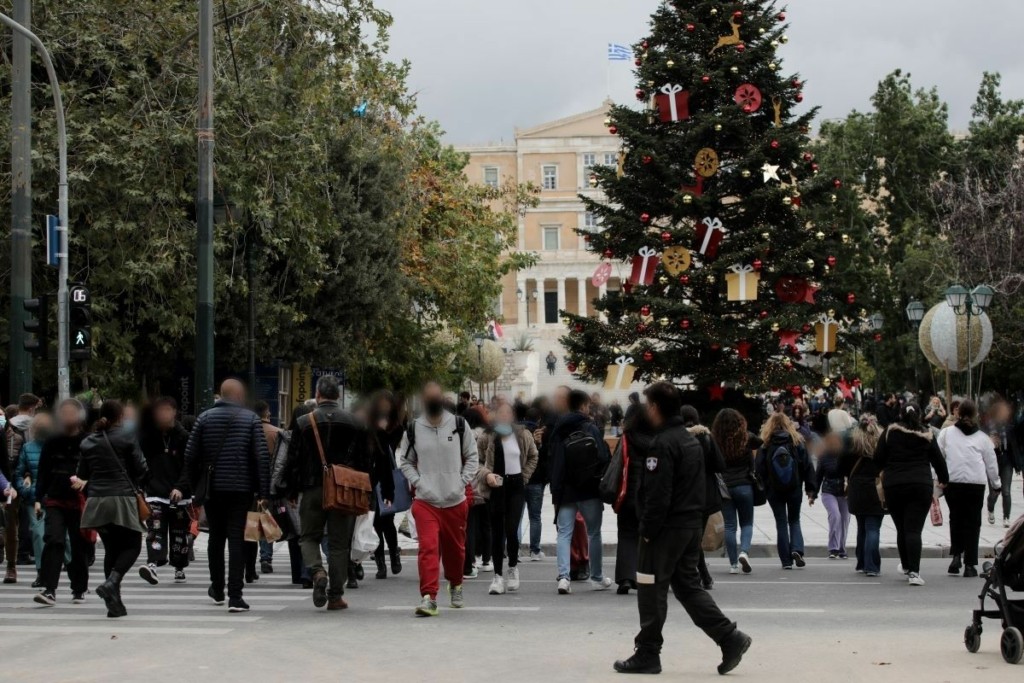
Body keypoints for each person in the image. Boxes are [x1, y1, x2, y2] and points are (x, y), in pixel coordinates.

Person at [613, 382, 751, 676]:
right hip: (688, 526)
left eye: (648, 405)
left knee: (650, 589)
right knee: (689, 588)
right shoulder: (690, 441)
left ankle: (648, 652)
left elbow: (658, 494)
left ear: (655, 408)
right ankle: (730, 638)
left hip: (665, 529)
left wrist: (647, 529)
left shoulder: (662, 445)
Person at [285, 374, 391, 611]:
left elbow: (294, 460)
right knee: (339, 544)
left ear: (318, 394)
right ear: (339, 396)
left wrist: (291, 489)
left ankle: (316, 571)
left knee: (309, 537)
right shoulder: (356, 423)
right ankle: (335, 595)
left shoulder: (303, 422)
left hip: (312, 488)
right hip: (344, 490)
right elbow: (366, 461)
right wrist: (365, 491)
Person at [178, 379, 270, 612]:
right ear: (240, 396)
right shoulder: (250, 419)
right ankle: (235, 596)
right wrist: (263, 491)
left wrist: (194, 486)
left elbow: (189, 456)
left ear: (221, 394)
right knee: (237, 539)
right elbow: (260, 456)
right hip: (241, 488)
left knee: (216, 538)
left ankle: (217, 588)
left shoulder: (204, 418)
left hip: (213, 488)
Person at [399, 381, 479, 617]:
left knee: (455, 551)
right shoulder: (413, 429)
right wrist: (419, 482)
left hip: (455, 500)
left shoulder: (458, 424)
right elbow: (405, 461)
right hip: (426, 502)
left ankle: (455, 584)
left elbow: (472, 456)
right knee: (428, 548)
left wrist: (461, 482)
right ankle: (429, 597)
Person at [76, 400, 149, 618]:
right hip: (122, 498)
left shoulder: (88, 442)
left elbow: (82, 473)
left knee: (111, 549)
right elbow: (141, 468)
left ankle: (113, 604)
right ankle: (112, 581)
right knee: (133, 544)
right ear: (120, 417)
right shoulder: (127, 437)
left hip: (97, 500)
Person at [874, 403, 949, 586]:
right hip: (920, 485)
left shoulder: (890, 432)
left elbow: (877, 459)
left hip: (894, 486)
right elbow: (938, 460)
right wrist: (943, 480)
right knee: (914, 530)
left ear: (900, 414)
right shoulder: (927, 435)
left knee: (901, 528)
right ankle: (914, 573)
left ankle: (907, 566)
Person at [549, 389, 611, 594]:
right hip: (589, 488)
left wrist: (556, 489)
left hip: (566, 490)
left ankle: (564, 577)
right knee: (593, 533)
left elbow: (554, 460)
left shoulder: (558, 428)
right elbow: (602, 456)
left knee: (564, 533)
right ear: (584, 405)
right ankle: (597, 577)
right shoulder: (590, 427)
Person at [476, 403, 538, 595]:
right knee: (497, 532)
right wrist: (486, 475)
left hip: (516, 486)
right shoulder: (488, 436)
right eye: (500, 413)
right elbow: (476, 461)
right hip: (496, 486)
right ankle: (497, 576)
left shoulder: (522, 435)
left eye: (507, 413)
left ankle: (512, 567)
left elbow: (533, 456)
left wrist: (524, 477)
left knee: (512, 529)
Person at [32, 400, 89, 605]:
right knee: (54, 540)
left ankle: (79, 587)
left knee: (77, 545)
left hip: (79, 501)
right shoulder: (52, 441)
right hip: (55, 499)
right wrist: (38, 499)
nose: (68, 416)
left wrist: (86, 482)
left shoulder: (87, 441)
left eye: (72, 412)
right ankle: (49, 589)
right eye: (64, 412)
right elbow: (43, 472)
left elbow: (95, 469)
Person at [938, 400, 1000, 578]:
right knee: (973, 523)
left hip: (953, 482)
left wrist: (939, 477)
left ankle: (956, 557)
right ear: (975, 416)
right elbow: (991, 464)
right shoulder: (982, 438)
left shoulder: (946, 433)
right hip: (975, 484)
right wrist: (996, 484)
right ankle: (970, 564)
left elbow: (939, 456)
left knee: (956, 519)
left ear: (958, 414)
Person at [137, 397, 192, 586]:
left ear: (174, 412)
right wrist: (145, 482)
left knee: (179, 532)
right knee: (155, 530)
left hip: (179, 494)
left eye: (167, 410)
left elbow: (189, 466)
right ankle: (153, 563)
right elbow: (139, 461)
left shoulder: (183, 436)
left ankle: (179, 566)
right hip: (155, 491)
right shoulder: (148, 436)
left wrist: (181, 487)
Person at [755, 412, 816, 569]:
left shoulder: (765, 444)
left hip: (774, 490)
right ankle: (796, 549)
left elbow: (759, 469)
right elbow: (808, 467)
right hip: (794, 487)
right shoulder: (796, 441)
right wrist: (811, 489)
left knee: (781, 522)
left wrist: (764, 487)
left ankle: (786, 561)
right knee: (794, 520)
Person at [681, 405, 725, 590]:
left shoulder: (678, 439)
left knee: (691, 537)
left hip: (685, 494)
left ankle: (699, 575)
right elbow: (720, 465)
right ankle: (702, 576)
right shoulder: (706, 437)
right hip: (705, 494)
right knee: (695, 537)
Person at [838, 415, 885, 576]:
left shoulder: (852, 444)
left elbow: (841, 466)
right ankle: (872, 566)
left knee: (861, 526)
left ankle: (862, 562)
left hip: (856, 487)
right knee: (873, 527)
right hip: (876, 487)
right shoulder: (881, 445)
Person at [615, 408, 655, 594]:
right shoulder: (658, 440)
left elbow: (615, 464)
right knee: (647, 539)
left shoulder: (626, 438)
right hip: (649, 497)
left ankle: (625, 578)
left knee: (625, 535)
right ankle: (643, 578)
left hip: (627, 494)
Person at [712, 408, 756, 575]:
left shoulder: (716, 440)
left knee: (730, 526)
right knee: (747, 523)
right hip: (744, 484)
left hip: (725, 487)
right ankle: (744, 552)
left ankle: (733, 564)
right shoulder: (745, 438)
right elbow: (752, 464)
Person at [369, 391, 406, 580]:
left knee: (387, 522)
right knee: (374, 522)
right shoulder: (370, 425)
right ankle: (380, 563)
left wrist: (381, 432)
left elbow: (387, 450)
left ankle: (394, 554)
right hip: (371, 478)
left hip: (386, 479)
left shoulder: (396, 428)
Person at [527, 389, 567, 561]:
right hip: (539, 477)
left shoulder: (517, 431)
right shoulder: (548, 427)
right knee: (535, 516)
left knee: (518, 515)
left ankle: (514, 550)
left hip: (522, 477)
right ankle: (535, 550)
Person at [4, 393, 39, 583]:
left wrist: (23, 477)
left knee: (11, 524)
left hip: (10, 482)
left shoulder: (13, 434)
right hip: (12, 480)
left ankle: (11, 566)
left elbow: (17, 460)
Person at [17, 412, 53, 586]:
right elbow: (19, 472)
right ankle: (42, 572)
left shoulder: (57, 446)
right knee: (39, 535)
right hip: (34, 497)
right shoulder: (28, 447)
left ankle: (71, 568)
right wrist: (26, 489)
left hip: (55, 496)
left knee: (63, 537)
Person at [253, 400, 283, 576]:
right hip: (271, 484)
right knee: (266, 520)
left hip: (249, 483)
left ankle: (250, 561)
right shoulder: (277, 433)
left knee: (251, 523)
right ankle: (265, 557)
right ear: (267, 414)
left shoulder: (246, 431)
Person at [985, 399, 1021, 528]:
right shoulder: (987, 426)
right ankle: (990, 508)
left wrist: (1017, 464)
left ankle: (1006, 517)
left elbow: (1015, 446)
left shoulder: (1010, 427)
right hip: (992, 460)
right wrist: (989, 440)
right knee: (995, 491)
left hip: (1006, 460)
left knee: (1006, 491)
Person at [815, 431, 850, 560]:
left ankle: (842, 548)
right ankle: (833, 548)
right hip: (828, 490)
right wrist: (813, 493)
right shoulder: (824, 456)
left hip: (844, 491)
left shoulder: (846, 455)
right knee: (835, 515)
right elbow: (818, 475)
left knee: (845, 519)